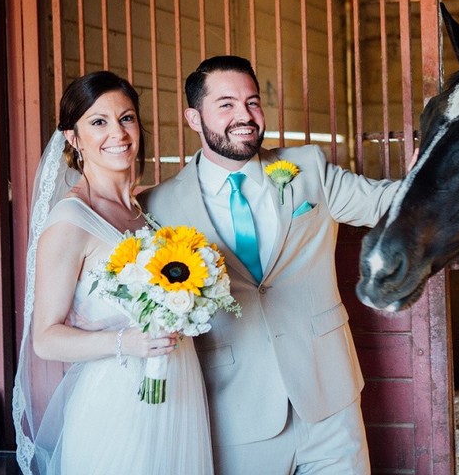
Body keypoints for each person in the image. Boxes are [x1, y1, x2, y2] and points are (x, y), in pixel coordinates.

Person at [140, 55, 402, 474]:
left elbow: (388, 203)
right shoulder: (158, 206)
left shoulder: (308, 169)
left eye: (253, 102)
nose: (244, 116)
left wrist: (443, 168)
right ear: (193, 117)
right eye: (226, 104)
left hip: (328, 398)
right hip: (234, 408)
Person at [12, 71, 214, 475]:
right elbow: (46, 340)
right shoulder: (70, 220)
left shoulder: (146, 213)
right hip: (118, 403)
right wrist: (129, 342)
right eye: (98, 122)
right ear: (73, 138)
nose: (118, 133)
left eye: (126, 118)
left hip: (180, 389)